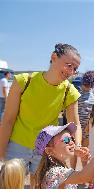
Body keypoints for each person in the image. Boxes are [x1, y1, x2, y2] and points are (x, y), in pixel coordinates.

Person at [0, 43, 83, 188]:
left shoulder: (70, 91)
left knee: (39, 186)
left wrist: (78, 146)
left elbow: (75, 125)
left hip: (46, 150)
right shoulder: (23, 81)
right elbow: (7, 121)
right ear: (54, 57)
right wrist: (1, 155)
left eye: (75, 69)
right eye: (69, 65)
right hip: (16, 147)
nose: (71, 71)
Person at [34, 122, 94, 189]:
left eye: (71, 138)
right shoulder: (54, 172)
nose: (72, 142)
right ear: (49, 151)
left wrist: (76, 151)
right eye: (66, 140)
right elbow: (84, 177)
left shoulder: (53, 169)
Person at [75, 71, 94, 169]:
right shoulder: (76, 91)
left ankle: (85, 173)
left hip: (88, 127)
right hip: (76, 128)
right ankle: (72, 176)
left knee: (85, 152)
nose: (89, 86)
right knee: (74, 152)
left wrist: (90, 124)